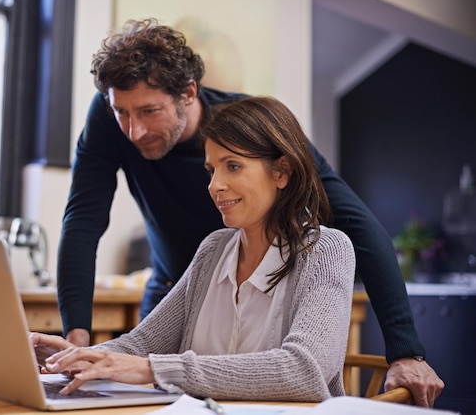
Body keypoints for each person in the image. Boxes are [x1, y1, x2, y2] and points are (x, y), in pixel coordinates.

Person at [56, 18, 444, 406]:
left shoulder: (253, 133)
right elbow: (82, 222)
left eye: (149, 111)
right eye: (210, 169)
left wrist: (405, 347)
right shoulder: (210, 249)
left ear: (188, 94)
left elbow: (358, 226)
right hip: (187, 280)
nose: (134, 130)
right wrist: (75, 347)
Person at [34, 96, 356, 401]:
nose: (215, 185)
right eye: (212, 170)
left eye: (232, 166)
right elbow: (142, 344)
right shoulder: (213, 250)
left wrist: (155, 369)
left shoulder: (326, 250)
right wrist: (73, 359)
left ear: (281, 172)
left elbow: (303, 369)